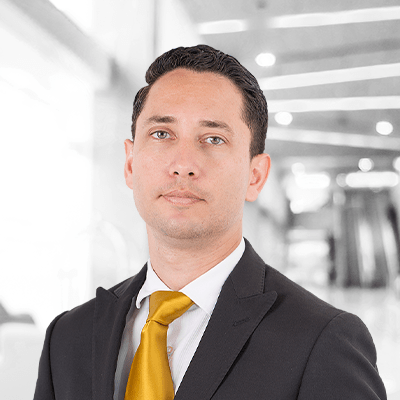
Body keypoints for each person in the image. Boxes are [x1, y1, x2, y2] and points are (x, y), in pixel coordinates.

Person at [34, 45, 387, 400]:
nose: (183, 164)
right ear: (130, 163)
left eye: (214, 139)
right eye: (161, 133)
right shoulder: (68, 338)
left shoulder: (322, 342)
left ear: (255, 176)